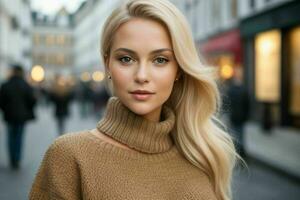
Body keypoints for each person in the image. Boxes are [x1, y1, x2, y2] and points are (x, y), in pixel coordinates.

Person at [30, 0, 238, 199]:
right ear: (107, 64)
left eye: (160, 60)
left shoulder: (201, 153)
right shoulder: (69, 156)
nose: (141, 75)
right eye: (126, 59)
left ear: (179, 70)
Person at [0, 64, 36, 169]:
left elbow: (1, 101)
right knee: (19, 137)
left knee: (10, 137)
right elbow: (32, 100)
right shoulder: (25, 85)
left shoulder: (6, 85)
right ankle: (17, 159)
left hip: (9, 115)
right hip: (22, 116)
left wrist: (5, 110)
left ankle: (12, 158)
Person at [227, 68, 249, 159]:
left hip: (234, 116)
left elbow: (228, 104)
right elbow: (247, 104)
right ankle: (242, 151)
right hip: (241, 116)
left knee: (234, 134)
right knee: (241, 134)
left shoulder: (231, 90)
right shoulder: (244, 90)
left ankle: (237, 151)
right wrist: (247, 116)